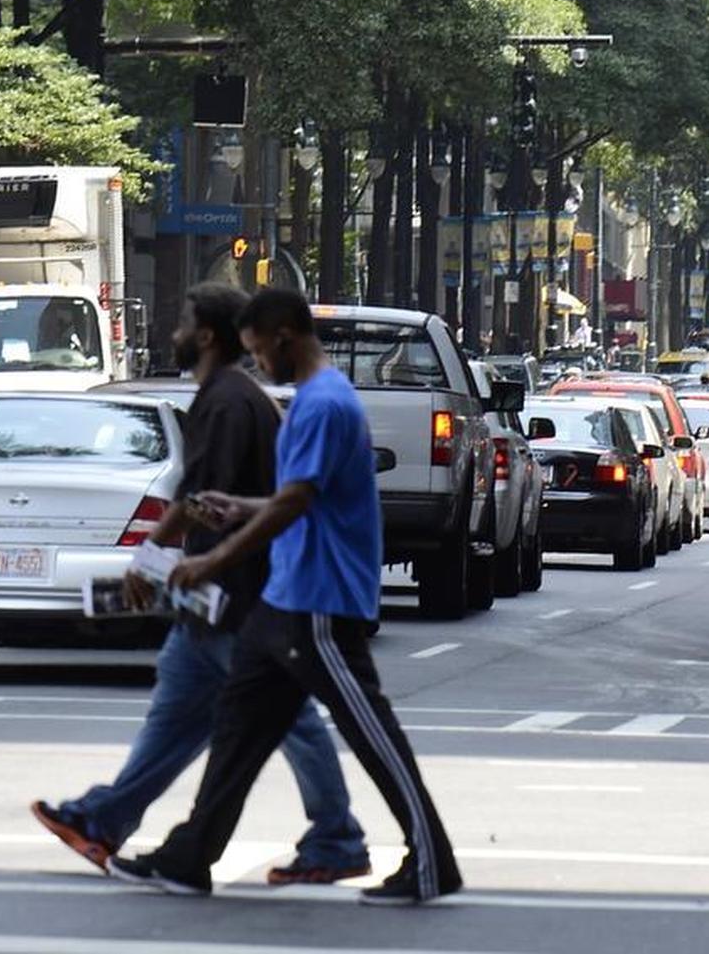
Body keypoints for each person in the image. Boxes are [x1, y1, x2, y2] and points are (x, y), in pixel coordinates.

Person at [108, 287, 462, 907]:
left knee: (370, 731)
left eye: (258, 351)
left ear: (282, 337)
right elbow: (295, 497)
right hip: (284, 597)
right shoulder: (311, 400)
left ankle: (432, 861)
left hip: (321, 600)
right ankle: (190, 856)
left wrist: (212, 559)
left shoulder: (324, 404)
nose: (257, 363)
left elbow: (297, 502)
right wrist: (238, 507)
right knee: (238, 730)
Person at [31, 282, 368, 886]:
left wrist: (148, 560)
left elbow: (200, 502)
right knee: (177, 718)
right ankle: (105, 818)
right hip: (210, 601)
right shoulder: (228, 397)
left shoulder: (228, 402)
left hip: (238, 597)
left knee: (287, 718)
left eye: (183, 323)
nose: (175, 334)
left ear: (207, 335)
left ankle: (336, 836)